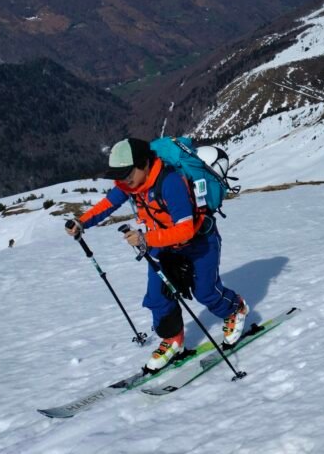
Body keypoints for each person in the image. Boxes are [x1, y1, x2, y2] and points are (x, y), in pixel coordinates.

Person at [65, 138, 248, 371]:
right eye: (119, 174)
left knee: (205, 291)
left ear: (143, 164)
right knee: (157, 297)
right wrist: (82, 222)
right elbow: (108, 204)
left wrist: (145, 239)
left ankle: (235, 308)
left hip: (200, 242)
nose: (122, 179)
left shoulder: (170, 182)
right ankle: (172, 340)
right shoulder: (130, 184)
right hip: (164, 246)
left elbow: (185, 229)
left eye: (126, 173)